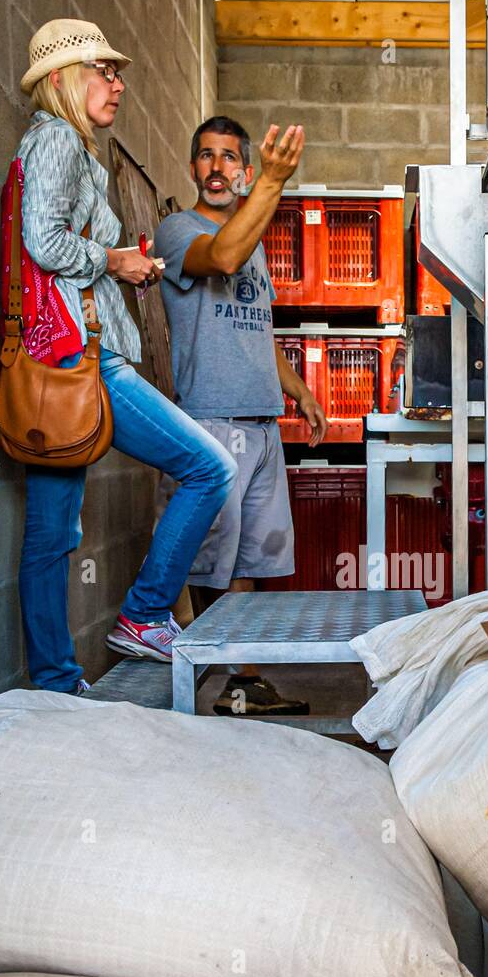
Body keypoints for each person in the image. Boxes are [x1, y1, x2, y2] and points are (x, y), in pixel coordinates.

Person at [9, 19, 237, 693]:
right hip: (83, 359)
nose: (117, 83)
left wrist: (121, 267)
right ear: (60, 81)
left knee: (50, 536)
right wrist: (115, 260)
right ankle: (143, 614)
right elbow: (43, 242)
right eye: (101, 72)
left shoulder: (67, 147)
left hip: (61, 363)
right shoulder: (57, 140)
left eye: (118, 73)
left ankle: (54, 683)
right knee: (208, 466)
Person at [153, 115, 327, 717]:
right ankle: (214, 663)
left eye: (230, 157)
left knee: (250, 560)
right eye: (206, 156)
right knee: (212, 560)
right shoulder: (178, 231)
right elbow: (222, 257)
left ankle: (242, 681)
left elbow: (262, 331)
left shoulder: (253, 251)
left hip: (262, 421)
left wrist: (298, 390)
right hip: (211, 420)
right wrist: (274, 186)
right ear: (194, 167)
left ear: (243, 169)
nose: (217, 167)